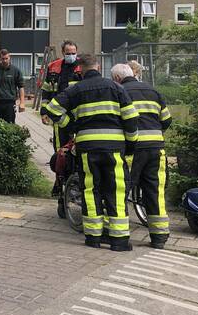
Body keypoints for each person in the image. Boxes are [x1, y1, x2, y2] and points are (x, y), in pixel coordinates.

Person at [43, 54, 139, 251]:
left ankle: (93, 237)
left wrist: (72, 127)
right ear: (99, 66)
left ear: (80, 69)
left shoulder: (75, 89)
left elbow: (52, 109)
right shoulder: (116, 87)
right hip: (113, 147)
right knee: (116, 189)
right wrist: (130, 144)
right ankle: (119, 240)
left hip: (87, 147)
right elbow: (131, 118)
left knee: (90, 189)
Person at [112, 63, 173, 248]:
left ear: (116, 78)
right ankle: (159, 237)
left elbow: (117, 121)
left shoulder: (119, 92)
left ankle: (119, 235)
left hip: (133, 150)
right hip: (156, 149)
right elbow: (167, 120)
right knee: (154, 191)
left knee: (121, 191)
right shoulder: (153, 91)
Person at [40, 41, 83, 152]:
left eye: (74, 53)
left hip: (77, 111)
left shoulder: (82, 67)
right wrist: (44, 111)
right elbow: (46, 90)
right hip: (59, 111)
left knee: (79, 143)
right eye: (68, 53)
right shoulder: (53, 67)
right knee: (60, 142)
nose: (71, 56)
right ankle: (61, 163)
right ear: (63, 52)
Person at [0, 49, 24, 123]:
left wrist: (22, 103)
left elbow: (21, 87)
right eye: (3, 59)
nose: (4, 61)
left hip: (10, 103)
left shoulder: (16, 71)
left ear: (9, 58)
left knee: (10, 125)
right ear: (0, 59)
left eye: (6, 58)